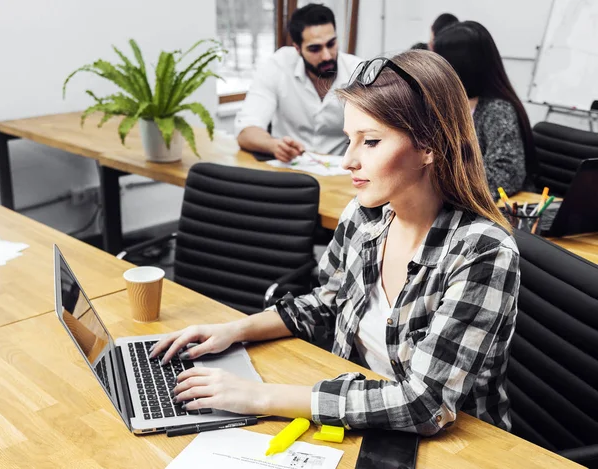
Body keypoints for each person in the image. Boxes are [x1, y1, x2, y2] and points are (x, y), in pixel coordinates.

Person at [150, 50, 520, 435]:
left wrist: (259, 397)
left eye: (371, 142)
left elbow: (422, 403)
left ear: (429, 146)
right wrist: (234, 330)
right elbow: (328, 303)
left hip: (462, 447)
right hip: (358, 414)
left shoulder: (482, 251)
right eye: (349, 140)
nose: (347, 161)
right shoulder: (366, 214)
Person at [234, 3, 361, 162]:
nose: (327, 56)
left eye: (331, 44)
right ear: (297, 48)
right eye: (315, 49)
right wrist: (274, 145)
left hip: (340, 172)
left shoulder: (358, 72)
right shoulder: (278, 65)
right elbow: (245, 130)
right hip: (290, 171)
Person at [433, 21, 535, 196]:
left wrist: (443, 183)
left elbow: (506, 175)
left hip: (495, 210)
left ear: (460, 66)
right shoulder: (448, 104)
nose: (434, 70)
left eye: (439, 62)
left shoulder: (497, 110)